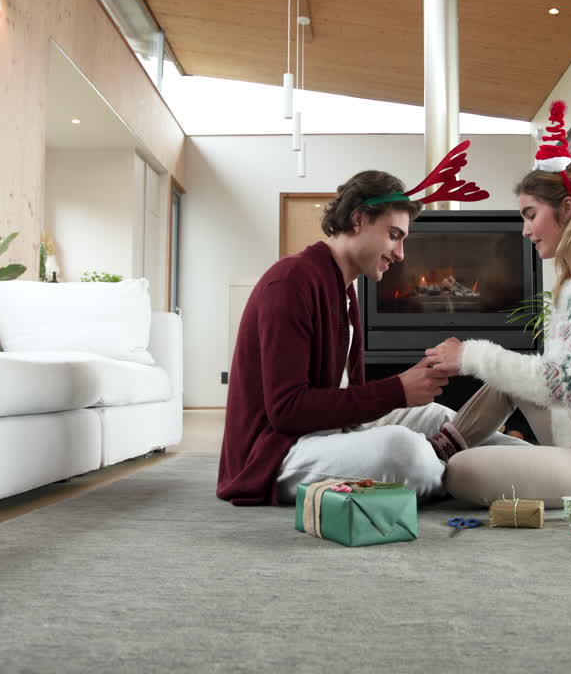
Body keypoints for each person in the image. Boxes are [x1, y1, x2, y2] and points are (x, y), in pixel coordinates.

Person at [216, 167, 524, 506]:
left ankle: (543, 463)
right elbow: (287, 411)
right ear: (359, 219)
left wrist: (415, 381)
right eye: (394, 235)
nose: (401, 253)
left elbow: (348, 400)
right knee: (403, 450)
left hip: (333, 430)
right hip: (276, 452)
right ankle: (461, 468)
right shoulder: (291, 282)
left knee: (440, 415)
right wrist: (397, 390)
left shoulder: (344, 291)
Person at [424, 102, 571, 509]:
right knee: (507, 381)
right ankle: (437, 450)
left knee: (463, 473)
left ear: (566, 209)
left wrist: (470, 355)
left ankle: (448, 460)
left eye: (531, 215)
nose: (524, 229)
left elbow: (570, 385)